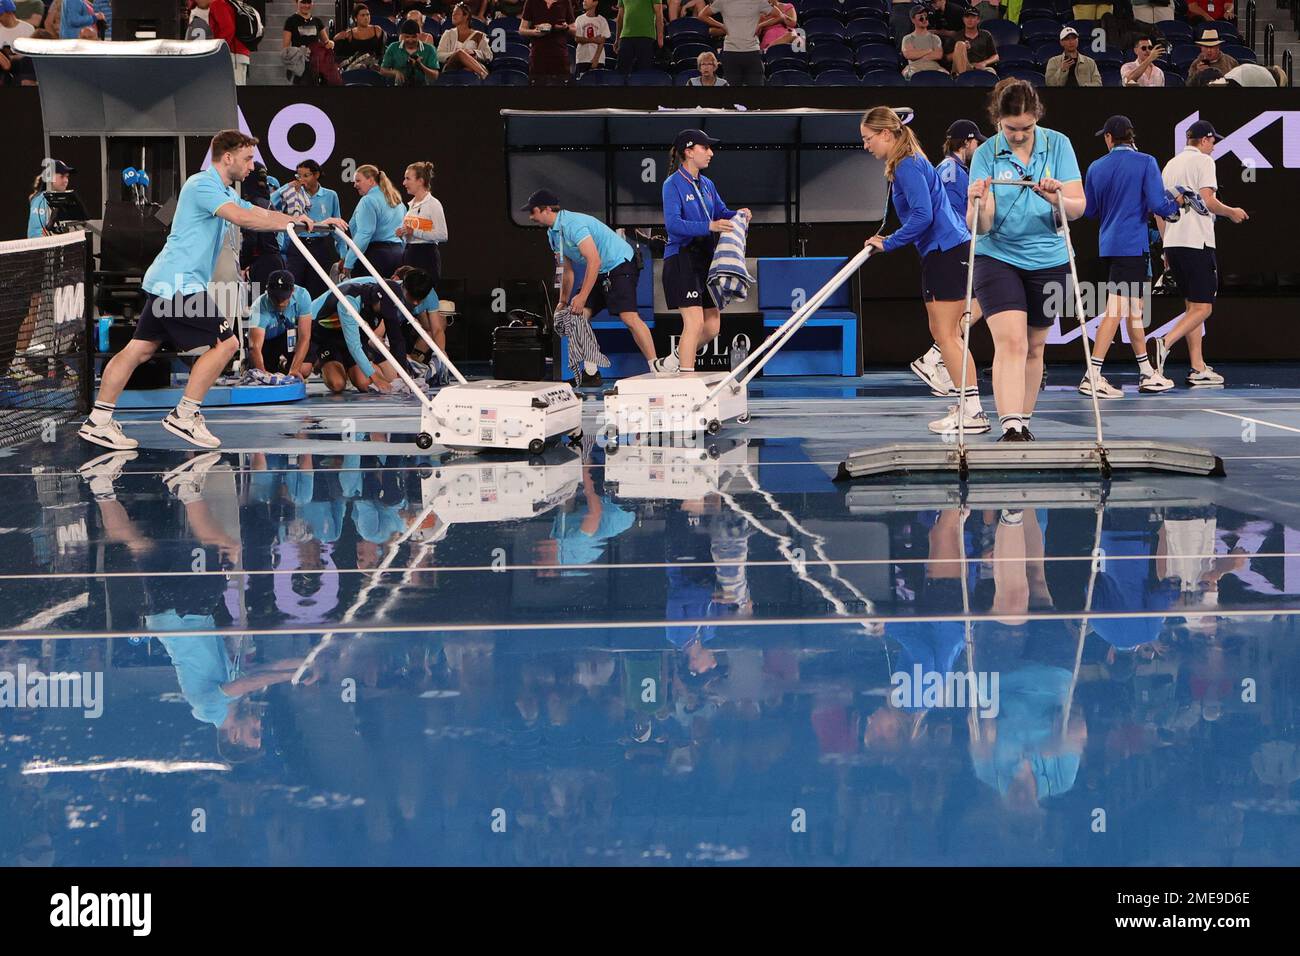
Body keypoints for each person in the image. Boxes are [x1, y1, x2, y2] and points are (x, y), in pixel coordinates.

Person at [78, 131, 329, 452]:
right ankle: (185, 414)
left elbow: (259, 213)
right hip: (180, 283)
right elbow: (243, 217)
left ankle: (98, 421)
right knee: (228, 345)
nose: (252, 166)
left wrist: (302, 220)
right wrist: (286, 224)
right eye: (248, 159)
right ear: (228, 158)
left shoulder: (222, 189)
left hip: (166, 282)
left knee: (138, 350)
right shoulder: (202, 185)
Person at [967, 79, 1085, 441]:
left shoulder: (1059, 145)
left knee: (1035, 346)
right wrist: (979, 202)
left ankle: (1025, 422)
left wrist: (1055, 198)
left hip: (1049, 257)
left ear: (1037, 119)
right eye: (1010, 128)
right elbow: (979, 226)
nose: (1018, 136)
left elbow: (1078, 208)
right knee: (1011, 342)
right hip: (998, 256)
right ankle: (1011, 425)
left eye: (1026, 128)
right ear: (998, 120)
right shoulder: (986, 154)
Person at [861, 108, 988, 436]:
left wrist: (888, 243)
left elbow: (922, 217)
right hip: (947, 251)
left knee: (947, 335)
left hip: (945, 252)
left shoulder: (906, 165)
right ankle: (969, 407)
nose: (866, 145)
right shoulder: (908, 163)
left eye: (868, 138)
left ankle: (971, 410)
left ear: (886, 135)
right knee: (949, 334)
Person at [1079, 115, 1182, 398]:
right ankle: (1092, 374)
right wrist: (1177, 203)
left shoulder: (1096, 166)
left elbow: (1089, 211)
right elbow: (1158, 204)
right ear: (1131, 137)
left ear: (1110, 138)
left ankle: (1147, 372)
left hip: (1109, 246)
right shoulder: (1146, 162)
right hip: (1131, 247)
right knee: (1116, 310)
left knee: (1134, 311)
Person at [523, 188, 667, 383]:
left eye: (533, 211)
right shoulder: (553, 234)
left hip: (620, 262)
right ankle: (591, 374)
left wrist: (582, 297)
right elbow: (567, 270)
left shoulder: (573, 224)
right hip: (600, 269)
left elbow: (594, 260)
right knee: (577, 316)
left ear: (547, 209)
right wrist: (563, 302)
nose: (531, 216)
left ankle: (656, 368)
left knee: (628, 317)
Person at [1153, 119, 1249, 388]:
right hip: (1197, 243)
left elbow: (1159, 210)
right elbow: (1207, 200)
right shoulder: (1204, 162)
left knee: (1192, 306)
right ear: (1205, 140)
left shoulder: (1170, 165)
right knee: (1203, 307)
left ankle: (1197, 367)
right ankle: (1164, 344)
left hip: (1174, 243)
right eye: (1213, 141)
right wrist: (1231, 212)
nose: (1214, 146)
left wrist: (1165, 245)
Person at [661, 129, 751, 373]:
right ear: (689, 152)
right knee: (694, 322)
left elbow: (721, 211)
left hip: (705, 260)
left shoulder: (707, 183)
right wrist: (709, 226)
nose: (711, 153)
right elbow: (673, 225)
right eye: (705, 148)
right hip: (682, 258)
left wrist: (739, 214)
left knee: (712, 327)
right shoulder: (672, 185)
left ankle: (673, 360)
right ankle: (687, 385)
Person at [911, 120, 986, 396]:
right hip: (955, 249)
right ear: (965, 143)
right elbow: (957, 215)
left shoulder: (950, 169)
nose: (977, 147)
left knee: (978, 302)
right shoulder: (952, 172)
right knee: (980, 301)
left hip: (952, 248)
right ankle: (935, 356)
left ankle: (937, 356)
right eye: (975, 141)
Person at [311, 269, 436, 393]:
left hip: (355, 336)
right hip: (327, 337)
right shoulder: (349, 301)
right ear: (376, 301)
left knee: (365, 383)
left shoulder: (391, 297)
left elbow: (396, 340)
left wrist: (404, 376)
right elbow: (354, 346)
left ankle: (347, 367)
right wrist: (376, 378)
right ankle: (323, 364)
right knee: (338, 384)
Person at [271, 159, 344, 299]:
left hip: (321, 248)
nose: (302, 180)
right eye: (299, 176)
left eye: (306, 175)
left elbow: (337, 227)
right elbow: (270, 201)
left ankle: (314, 320)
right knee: (293, 288)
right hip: (298, 246)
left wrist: (343, 255)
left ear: (316, 175)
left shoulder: (331, 195)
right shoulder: (292, 193)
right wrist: (287, 186)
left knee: (318, 290)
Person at [686, 0, 775, 86]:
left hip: (751, 51)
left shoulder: (758, 1)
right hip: (731, 51)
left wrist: (761, 25)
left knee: (756, 94)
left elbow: (780, 16)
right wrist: (721, 25)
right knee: (731, 95)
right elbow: (702, 15)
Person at [248, 269, 317, 379]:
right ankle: (248, 363)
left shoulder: (302, 295)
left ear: (293, 291)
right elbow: (254, 347)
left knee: (304, 370)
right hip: (268, 341)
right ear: (267, 291)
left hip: (289, 335)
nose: (280, 302)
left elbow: (304, 337)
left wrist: (294, 370)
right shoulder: (258, 307)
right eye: (275, 297)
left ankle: (285, 365)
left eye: (284, 297)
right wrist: (262, 373)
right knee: (264, 372)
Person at [342, 164, 406, 281]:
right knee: (394, 296)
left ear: (371, 181)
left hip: (376, 257)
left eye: (358, 181)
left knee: (369, 297)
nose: (355, 185)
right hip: (398, 255)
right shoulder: (398, 201)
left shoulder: (368, 200)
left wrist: (349, 261)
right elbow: (403, 234)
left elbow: (364, 233)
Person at [397, 161, 448, 288]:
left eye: (408, 179)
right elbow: (410, 234)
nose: (404, 183)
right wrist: (402, 234)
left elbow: (443, 235)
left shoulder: (433, 204)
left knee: (423, 294)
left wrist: (413, 232)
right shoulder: (411, 205)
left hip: (425, 255)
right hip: (409, 253)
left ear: (420, 181)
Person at [520, 0, 575, 85]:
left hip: (559, 56)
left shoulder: (565, 2)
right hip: (538, 57)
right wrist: (535, 32)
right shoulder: (531, 2)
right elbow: (522, 30)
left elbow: (574, 30)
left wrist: (566, 27)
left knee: (561, 94)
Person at [437, 1, 493, 78]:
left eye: (457, 13)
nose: (453, 16)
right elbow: (439, 55)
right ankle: (486, 76)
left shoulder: (479, 35)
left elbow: (488, 55)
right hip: (451, 66)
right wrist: (457, 54)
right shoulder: (448, 33)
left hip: (472, 68)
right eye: (453, 13)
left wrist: (474, 52)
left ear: (466, 16)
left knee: (468, 69)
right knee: (460, 52)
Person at [381, 19, 441, 85]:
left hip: (423, 89)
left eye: (413, 37)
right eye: (407, 37)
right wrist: (395, 72)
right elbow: (383, 70)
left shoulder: (430, 49)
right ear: (402, 36)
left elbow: (435, 75)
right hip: (398, 89)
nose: (410, 40)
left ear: (419, 35)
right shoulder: (393, 47)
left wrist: (421, 66)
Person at [332, 3, 388, 72]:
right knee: (361, 67)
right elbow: (340, 50)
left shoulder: (377, 30)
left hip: (374, 63)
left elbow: (381, 51)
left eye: (368, 15)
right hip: (356, 64)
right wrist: (336, 38)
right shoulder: (349, 34)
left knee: (375, 67)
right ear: (355, 18)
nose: (366, 18)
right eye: (362, 15)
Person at [26, 159, 72, 239]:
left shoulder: (66, 199)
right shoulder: (40, 200)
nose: (66, 180)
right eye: (62, 176)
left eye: (67, 176)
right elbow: (35, 235)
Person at [614, 0, 662, 75]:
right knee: (621, 73)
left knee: (644, 73)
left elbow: (659, 13)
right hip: (625, 37)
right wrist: (617, 39)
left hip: (646, 36)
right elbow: (620, 16)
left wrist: (660, 38)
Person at [948, 5, 998, 75]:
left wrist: (984, 63)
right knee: (960, 44)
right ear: (963, 19)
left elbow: (996, 56)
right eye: (967, 17)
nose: (969, 20)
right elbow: (947, 58)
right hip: (961, 67)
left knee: (991, 72)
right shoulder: (956, 36)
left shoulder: (986, 35)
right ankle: (964, 77)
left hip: (980, 67)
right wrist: (961, 50)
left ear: (978, 20)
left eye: (973, 17)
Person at [901, 4, 946, 79]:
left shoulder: (935, 38)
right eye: (921, 17)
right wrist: (930, 50)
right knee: (908, 74)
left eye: (926, 16)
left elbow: (938, 55)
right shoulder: (907, 38)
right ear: (913, 20)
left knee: (946, 75)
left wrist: (918, 54)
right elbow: (909, 55)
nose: (924, 19)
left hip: (934, 67)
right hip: (914, 68)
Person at [572, 0, 610, 74]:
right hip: (582, 58)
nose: (584, 1)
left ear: (595, 2)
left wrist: (596, 59)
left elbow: (601, 42)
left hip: (598, 59)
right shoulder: (579, 19)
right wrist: (594, 40)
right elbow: (577, 38)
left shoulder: (602, 20)